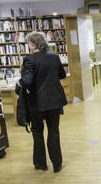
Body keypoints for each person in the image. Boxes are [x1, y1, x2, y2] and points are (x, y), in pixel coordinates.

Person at [20, 31, 67, 172]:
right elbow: (62, 75)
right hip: (54, 102)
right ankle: (57, 164)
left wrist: (20, 81)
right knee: (53, 131)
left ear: (34, 44)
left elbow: (27, 81)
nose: (28, 46)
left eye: (29, 43)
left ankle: (41, 164)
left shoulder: (29, 59)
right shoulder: (54, 57)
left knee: (37, 133)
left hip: (37, 104)